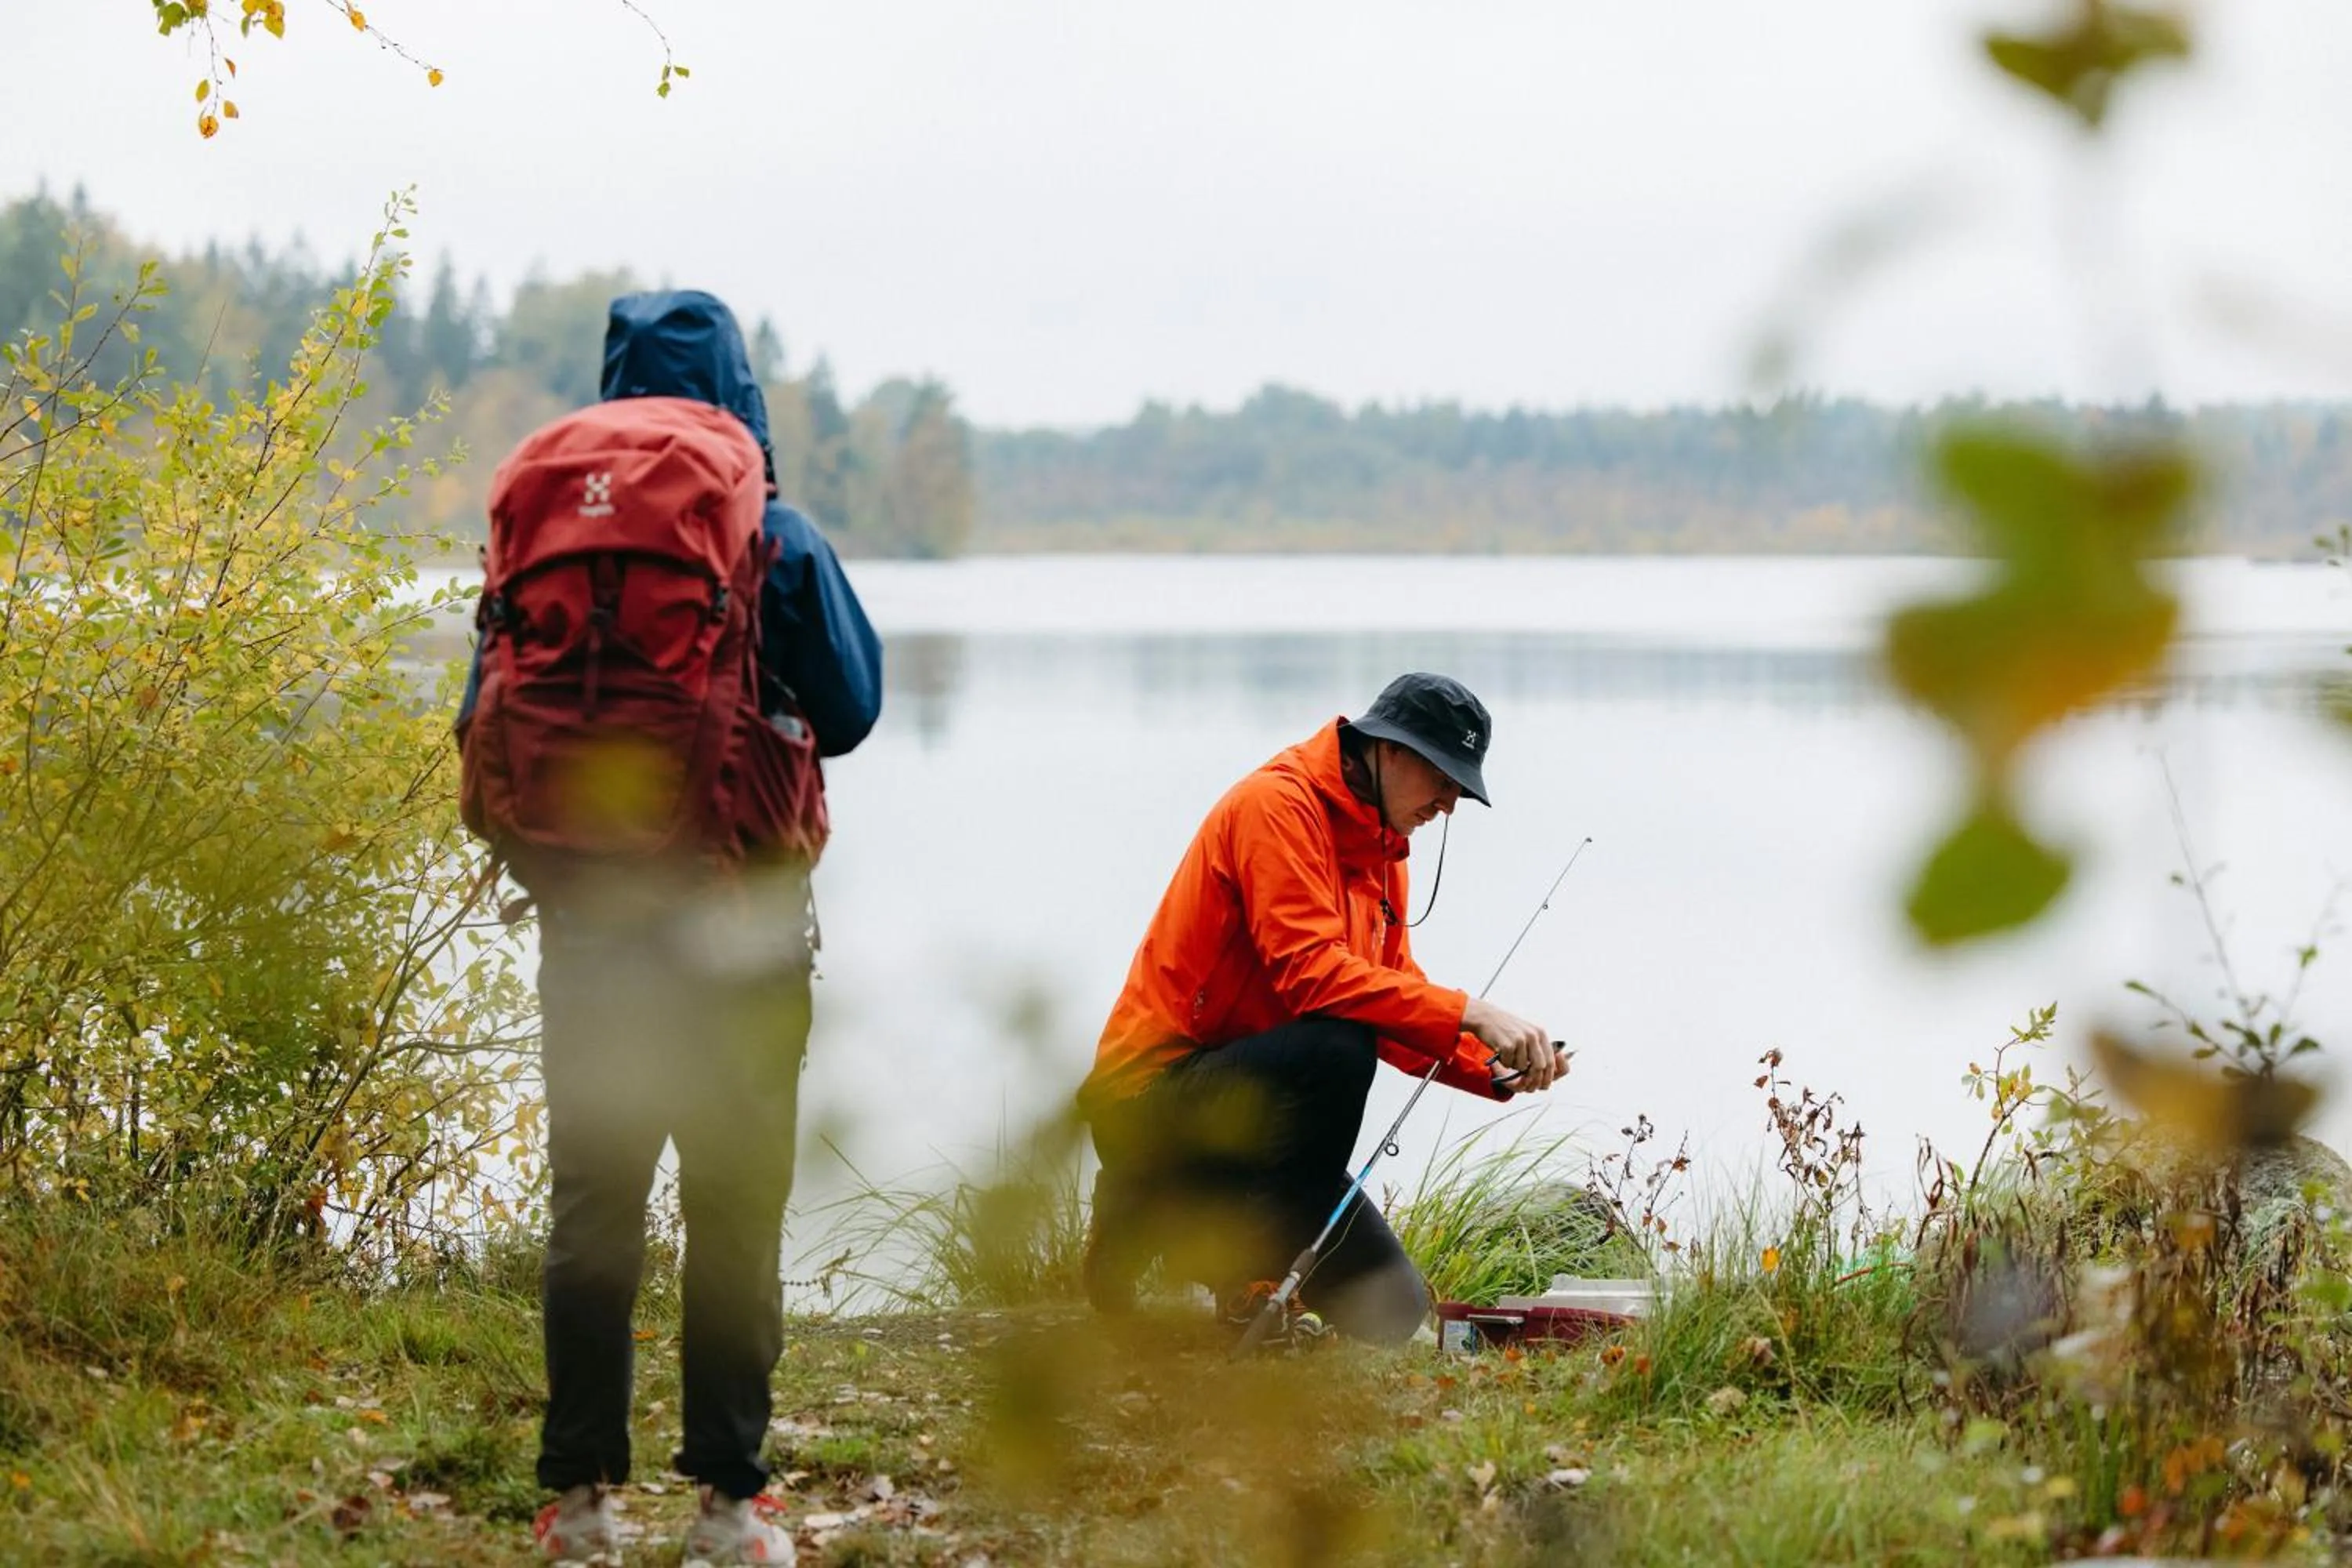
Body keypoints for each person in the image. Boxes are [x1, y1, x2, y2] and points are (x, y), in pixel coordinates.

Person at [460, 290, 883, 1564]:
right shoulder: (772, 526)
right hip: (741, 915)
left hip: (589, 918)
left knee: (594, 1209)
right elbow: (852, 708)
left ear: (612, 382)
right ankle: (729, 1511)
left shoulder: (549, 518)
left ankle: (580, 1505)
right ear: (739, 391)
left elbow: (486, 709)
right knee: (735, 1205)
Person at [1076, 672, 1565, 1343]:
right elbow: (1314, 978)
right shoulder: (1275, 807)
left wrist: (1493, 1065)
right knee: (1336, 1048)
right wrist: (1469, 1012)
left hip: (1259, 1115)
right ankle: (1230, 1265)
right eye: (1444, 778)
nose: (1449, 803)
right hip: (1153, 1102)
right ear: (1389, 750)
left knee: (1394, 1313)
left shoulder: (1383, 853)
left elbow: (1391, 998)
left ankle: (1204, 1233)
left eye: (1461, 788)